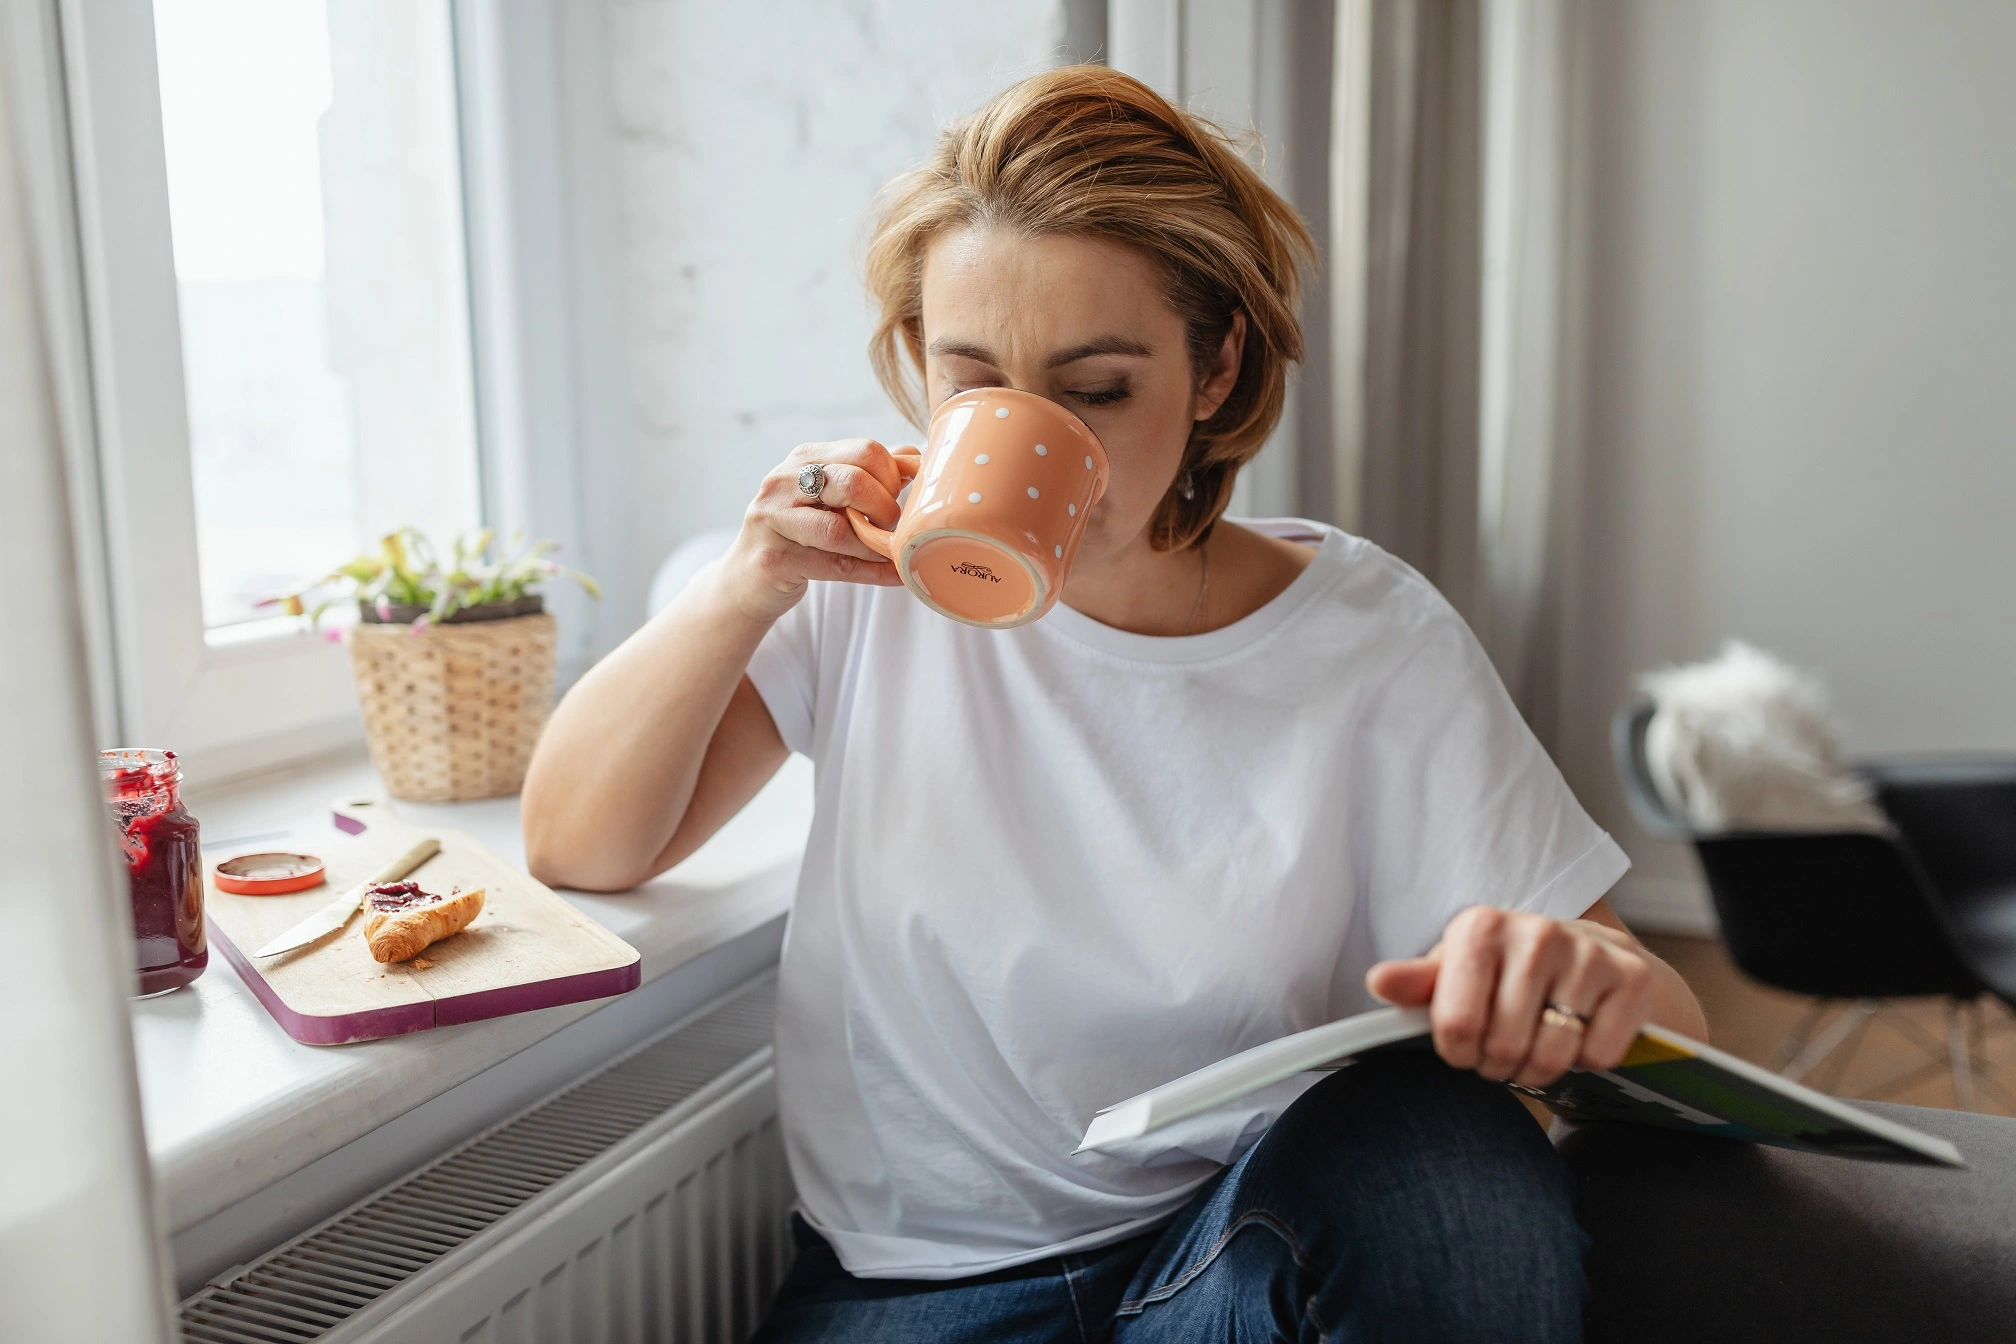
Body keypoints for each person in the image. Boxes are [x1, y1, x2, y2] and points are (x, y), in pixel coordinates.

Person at [523, 64, 1706, 1343]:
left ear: (1215, 369)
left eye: (1095, 391)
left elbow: (1672, 1033)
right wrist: (744, 585)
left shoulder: (1368, 638)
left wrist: (1584, 984)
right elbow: (583, 842)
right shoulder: (858, 581)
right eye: (973, 380)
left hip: (1234, 1267)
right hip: (916, 1297)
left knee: (1434, 1137)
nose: (1032, 434)